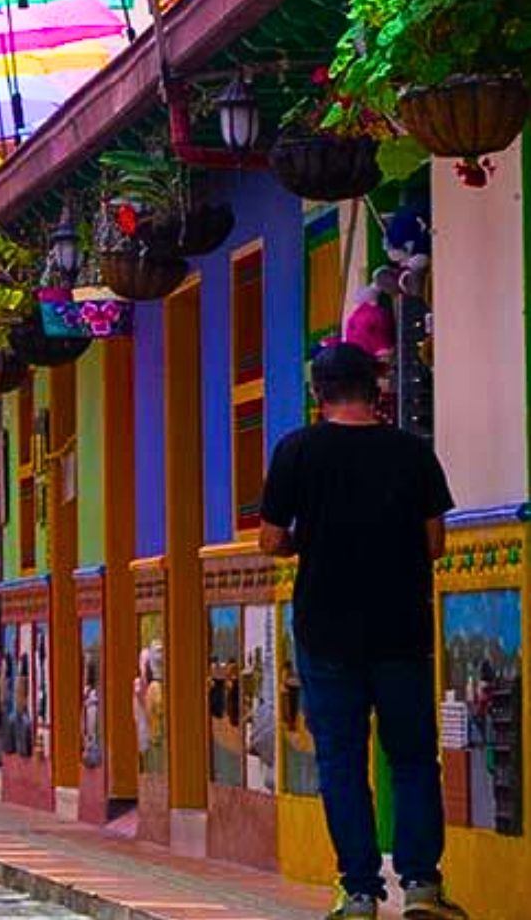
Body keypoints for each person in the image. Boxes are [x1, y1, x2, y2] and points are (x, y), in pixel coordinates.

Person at [258, 342, 465, 920]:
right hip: (402, 628)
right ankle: (422, 886)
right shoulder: (411, 454)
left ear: (317, 393)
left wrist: (313, 541)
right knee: (415, 760)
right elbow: (435, 543)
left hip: (325, 632)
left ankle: (359, 893)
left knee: (342, 762)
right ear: (376, 388)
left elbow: (272, 541)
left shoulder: (296, 451)